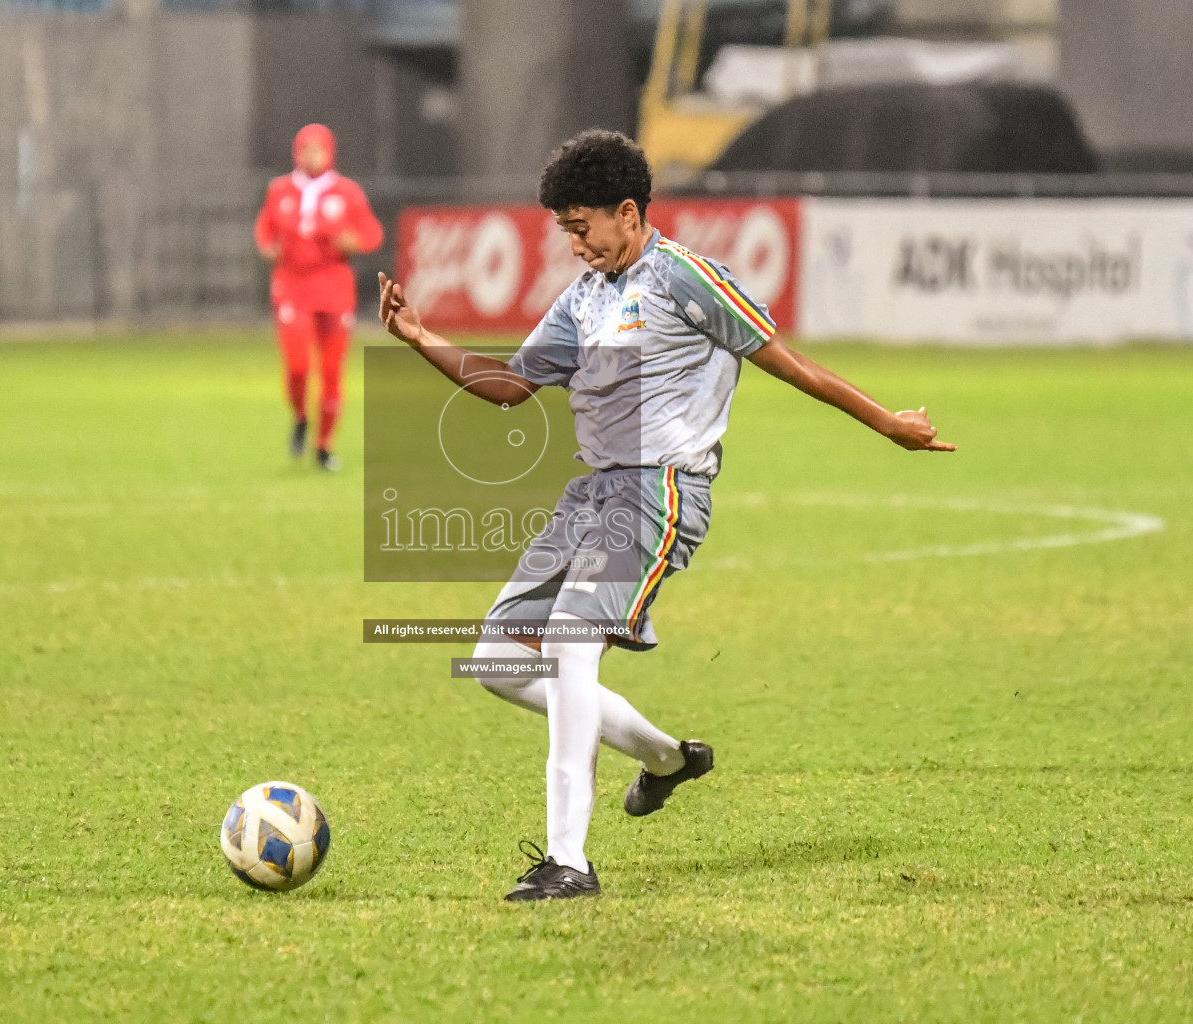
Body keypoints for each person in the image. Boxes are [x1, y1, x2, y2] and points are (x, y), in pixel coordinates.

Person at [378, 129, 954, 901]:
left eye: (582, 228)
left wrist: (888, 422)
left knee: (568, 645)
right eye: (565, 232)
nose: (575, 245)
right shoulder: (583, 299)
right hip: (591, 494)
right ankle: (667, 759)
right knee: (496, 661)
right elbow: (511, 386)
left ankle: (569, 862)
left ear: (626, 211)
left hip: (660, 492)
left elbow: (791, 364)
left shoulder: (688, 279)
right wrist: (420, 337)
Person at [255, 123, 384, 470]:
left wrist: (353, 242)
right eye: (304, 149)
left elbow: (372, 233)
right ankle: (300, 415)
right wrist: (267, 247)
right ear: (296, 152)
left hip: (334, 287)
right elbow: (264, 229)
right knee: (297, 366)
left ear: (330, 152)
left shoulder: (347, 192)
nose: (311, 156)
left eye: (318, 149)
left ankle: (324, 447)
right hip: (292, 285)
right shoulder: (280, 190)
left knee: (331, 372)